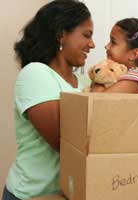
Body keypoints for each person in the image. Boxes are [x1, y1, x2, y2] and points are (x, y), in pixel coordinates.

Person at [2, 0, 95, 200]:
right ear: (61, 34)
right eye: (86, 35)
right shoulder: (35, 74)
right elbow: (64, 142)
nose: (92, 44)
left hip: (70, 194)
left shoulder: (86, 81)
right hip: (32, 195)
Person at [91, 18, 138, 97]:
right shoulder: (122, 74)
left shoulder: (137, 76)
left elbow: (99, 100)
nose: (106, 46)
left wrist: (98, 82)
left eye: (113, 42)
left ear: (134, 54)